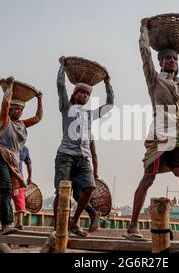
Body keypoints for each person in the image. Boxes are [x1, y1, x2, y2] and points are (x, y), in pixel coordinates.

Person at [124, 18, 179, 243]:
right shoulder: (154, 79)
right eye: (167, 58)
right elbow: (145, 53)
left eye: (174, 58)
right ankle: (133, 227)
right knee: (148, 179)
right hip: (160, 135)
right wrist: (143, 30)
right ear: (161, 63)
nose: (172, 61)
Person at [53, 57, 114, 237]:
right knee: (62, 191)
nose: (85, 96)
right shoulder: (66, 107)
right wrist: (62, 67)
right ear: (74, 94)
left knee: (88, 189)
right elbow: (60, 86)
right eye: (81, 93)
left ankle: (73, 223)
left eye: (87, 95)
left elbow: (109, 105)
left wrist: (107, 84)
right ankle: (58, 226)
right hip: (65, 155)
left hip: (84, 158)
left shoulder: (89, 114)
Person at [0, 77, 43, 235]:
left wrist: (39, 99)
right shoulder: (4, 121)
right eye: (16, 109)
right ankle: (7, 224)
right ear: (10, 110)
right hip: (1, 155)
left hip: (13, 160)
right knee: (6, 188)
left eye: (21, 110)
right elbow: (4, 104)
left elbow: (38, 118)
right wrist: (10, 86)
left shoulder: (22, 125)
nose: (18, 112)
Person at [12, 145, 33, 230]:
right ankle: (12, 222)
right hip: (8, 175)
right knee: (4, 197)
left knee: (20, 198)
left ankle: (19, 222)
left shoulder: (25, 149)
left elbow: (29, 163)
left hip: (17, 177)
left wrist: (30, 176)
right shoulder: (8, 145)